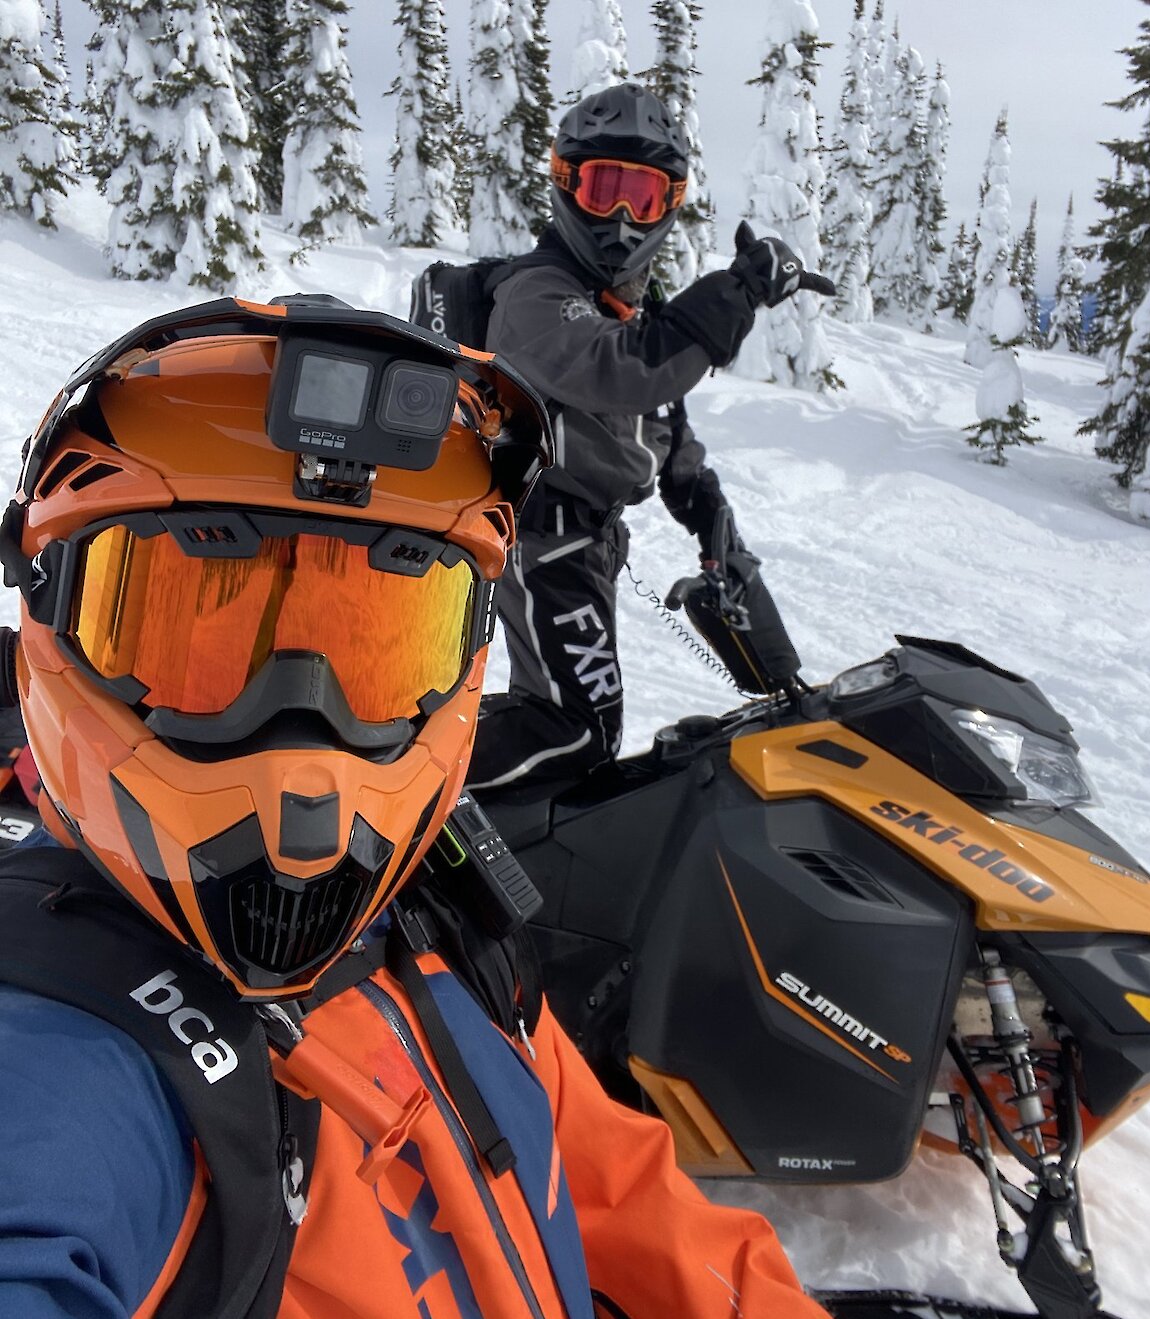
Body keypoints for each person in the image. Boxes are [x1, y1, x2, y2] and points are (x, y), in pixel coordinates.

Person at [0, 297, 831, 1318]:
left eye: (374, 648)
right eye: (203, 643)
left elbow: (628, 1196)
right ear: (51, 609)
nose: (304, 736)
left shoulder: (442, 931)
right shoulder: (66, 1059)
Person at [466, 82, 828, 790]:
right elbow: (628, 371)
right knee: (574, 730)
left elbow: (664, 427)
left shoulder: (630, 307)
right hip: (537, 540)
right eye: (605, 190)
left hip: (582, 544)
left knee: (563, 718)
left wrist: (708, 513)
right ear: (565, 185)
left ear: (673, 203)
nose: (625, 218)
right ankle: (398, 818)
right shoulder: (535, 293)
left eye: (646, 196)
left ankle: (465, 843)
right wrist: (739, 294)